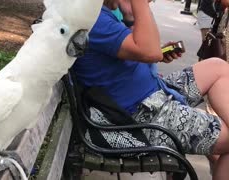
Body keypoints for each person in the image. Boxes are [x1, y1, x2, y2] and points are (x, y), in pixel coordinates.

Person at [71, 0, 229, 179]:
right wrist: (139, 5)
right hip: (142, 115)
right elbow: (150, 51)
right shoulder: (94, 20)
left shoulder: (97, 13)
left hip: (152, 93)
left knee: (218, 68)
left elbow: (143, 49)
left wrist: (131, 16)